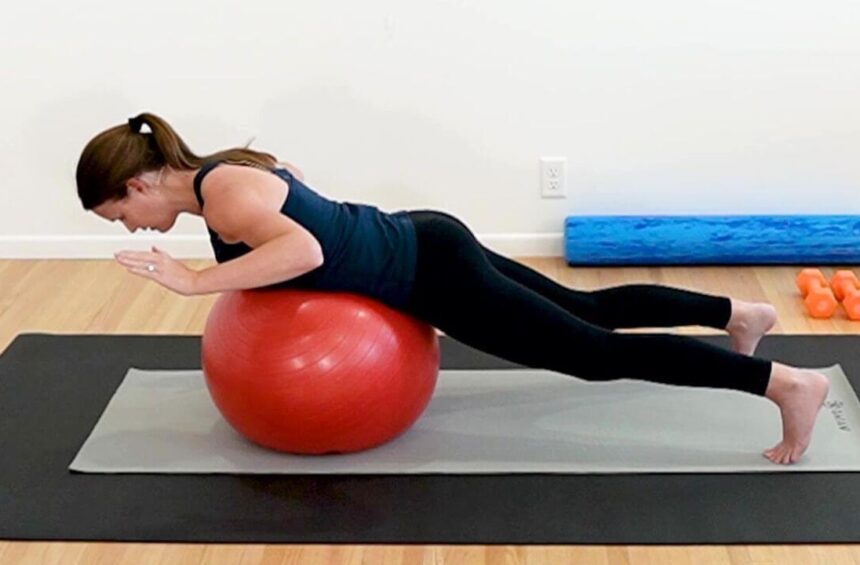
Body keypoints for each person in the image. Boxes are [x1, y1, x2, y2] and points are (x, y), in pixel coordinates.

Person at [77, 112, 830, 465]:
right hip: (424, 236)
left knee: (595, 351)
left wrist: (196, 281)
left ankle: (782, 383)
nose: (130, 228)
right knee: (588, 308)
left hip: (430, 271)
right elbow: (301, 193)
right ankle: (741, 311)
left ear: (139, 182)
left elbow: (302, 247)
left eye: (122, 212)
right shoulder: (227, 170)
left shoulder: (226, 195)